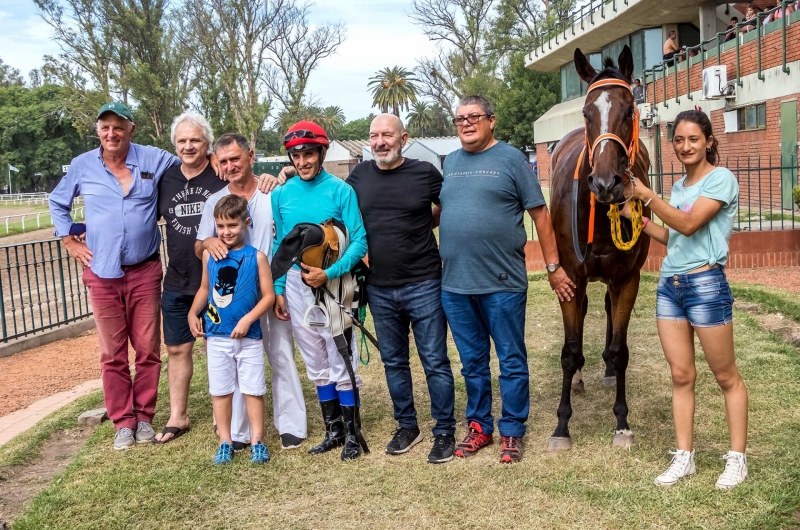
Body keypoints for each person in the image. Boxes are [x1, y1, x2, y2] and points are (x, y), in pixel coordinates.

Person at [439, 96, 575, 464]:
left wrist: (553, 267)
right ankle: (480, 427)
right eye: (460, 119)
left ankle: (512, 431)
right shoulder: (450, 162)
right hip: (455, 285)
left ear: (491, 120)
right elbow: (441, 212)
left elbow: (541, 215)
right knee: (472, 362)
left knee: (511, 360)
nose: (466, 123)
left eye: (474, 117)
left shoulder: (512, 159)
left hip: (502, 283)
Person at [621, 110, 748, 489]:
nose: (685, 146)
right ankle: (685, 457)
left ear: (708, 141)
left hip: (706, 284)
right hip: (670, 287)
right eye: (678, 140)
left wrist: (648, 196)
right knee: (681, 375)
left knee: (726, 376)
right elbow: (674, 236)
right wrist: (638, 219)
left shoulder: (721, 179)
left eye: (693, 139)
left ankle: (738, 459)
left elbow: (691, 224)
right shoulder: (678, 187)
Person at [49, 102, 184, 450]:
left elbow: (191, 163)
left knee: (148, 348)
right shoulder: (82, 165)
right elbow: (58, 201)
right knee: (112, 353)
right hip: (102, 273)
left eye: (119, 127)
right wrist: (68, 239)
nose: (112, 134)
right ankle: (122, 421)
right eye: (105, 127)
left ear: (131, 130)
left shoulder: (154, 158)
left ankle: (143, 417)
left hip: (145, 270)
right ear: (98, 131)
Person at [347, 114, 457, 463]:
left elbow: (451, 207)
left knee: (435, 361)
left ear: (403, 138)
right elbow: (332, 205)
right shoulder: (359, 177)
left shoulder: (425, 173)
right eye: (373, 135)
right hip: (379, 287)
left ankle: (445, 432)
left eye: (387, 135)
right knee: (393, 362)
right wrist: (283, 176)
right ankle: (407, 425)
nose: (379, 142)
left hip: (424, 282)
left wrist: (426, 221)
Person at [196, 133, 308, 451]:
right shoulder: (215, 203)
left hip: (272, 289)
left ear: (251, 156)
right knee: (235, 361)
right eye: (224, 161)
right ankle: (239, 432)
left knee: (280, 355)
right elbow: (200, 244)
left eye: (236, 158)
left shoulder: (272, 193)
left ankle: (290, 424)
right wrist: (207, 242)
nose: (231, 165)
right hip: (234, 298)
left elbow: (289, 238)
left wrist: (280, 287)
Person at [271, 121, 368, 461]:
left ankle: (354, 432)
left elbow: (359, 240)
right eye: (296, 155)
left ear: (321, 153)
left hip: (335, 283)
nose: (302, 161)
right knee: (314, 358)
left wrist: (329, 273)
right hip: (298, 286)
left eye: (308, 153)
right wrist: (280, 287)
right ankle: (334, 430)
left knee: (341, 354)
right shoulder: (281, 194)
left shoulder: (341, 191)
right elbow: (280, 245)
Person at [152, 112, 227, 444]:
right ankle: (177, 416)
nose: (188, 146)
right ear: (174, 144)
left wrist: (275, 175)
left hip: (215, 284)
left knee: (216, 346)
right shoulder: (165, 179)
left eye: (195, 139)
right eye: (182, 140)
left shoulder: (220, 173)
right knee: (178, 348)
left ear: (207, 143)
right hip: (178, 282)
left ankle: (219, 412)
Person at [189, 194, 274, 464]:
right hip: (216, 337)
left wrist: (248, 319)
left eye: (232, 226)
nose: (226, 232)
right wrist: (193, 312)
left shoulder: (256, 257)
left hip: (249, 338)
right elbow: (205, 289)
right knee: (221, 390)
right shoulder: (209, 257)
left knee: (253, 389)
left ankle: (257, 440)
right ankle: (225, 441)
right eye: (221, 227)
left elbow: (268, 297)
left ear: (246, 223)